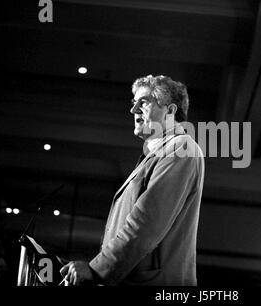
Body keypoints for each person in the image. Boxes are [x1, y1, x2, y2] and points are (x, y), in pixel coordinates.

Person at [60, 75, 205, 286]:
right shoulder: (161, 152)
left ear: (171, 111)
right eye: (133, 102)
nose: (133, 110)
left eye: (144, 102)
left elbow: (146, 223)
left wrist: (97, 270)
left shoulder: (181, 148)